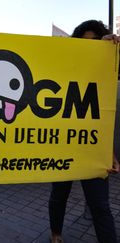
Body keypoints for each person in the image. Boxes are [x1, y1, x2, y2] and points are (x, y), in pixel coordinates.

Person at [49, 20, 120, 243]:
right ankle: (56, 234)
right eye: (85, 44)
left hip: (92, 149)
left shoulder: (105, 74)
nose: (91, 48)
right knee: (59, 196)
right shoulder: (63, 70)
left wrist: (112, 48)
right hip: (64, 146)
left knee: (100, 205)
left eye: (95, 43)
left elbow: (103, 121)